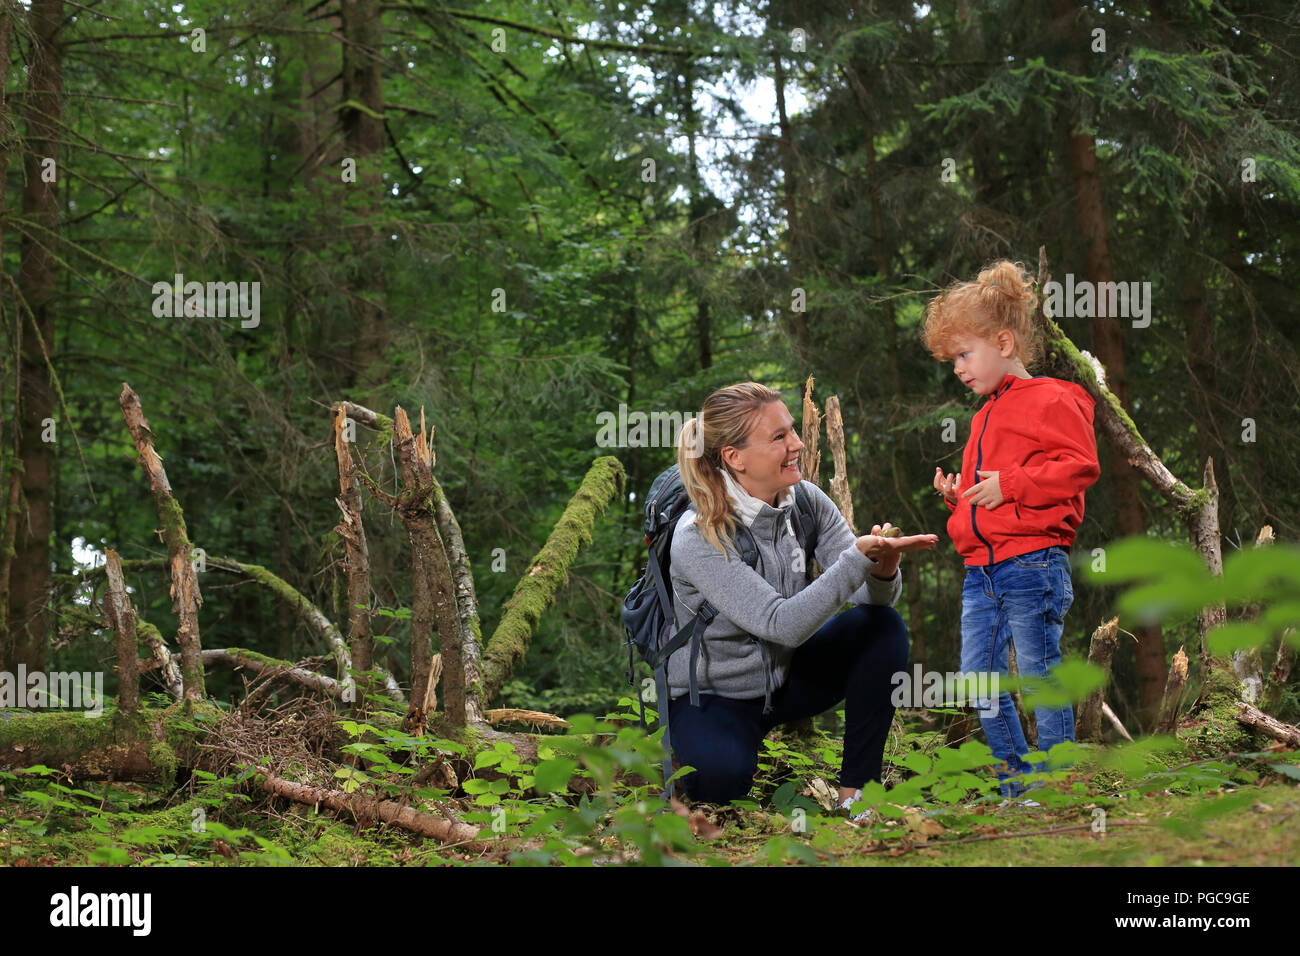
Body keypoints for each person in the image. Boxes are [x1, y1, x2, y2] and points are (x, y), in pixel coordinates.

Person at [667, 381, 938, 814]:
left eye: (792, 429)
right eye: (778, 437)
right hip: (715, 696)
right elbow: (783, 623)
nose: (796, 444)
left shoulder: (806, 502)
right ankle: (719, 749)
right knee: (721, 786)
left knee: (882, 627)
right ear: (734, 458)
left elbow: (874, 600)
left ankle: (857, 795)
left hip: (786, 680)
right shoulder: (699, 534)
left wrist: (883, 568)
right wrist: (856, 559)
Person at [922, 259, 1100, 798]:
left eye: (963, 354)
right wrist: (962, 498)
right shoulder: (981, 416)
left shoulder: (1053, 398)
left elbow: (1079, 466)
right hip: (981, 571)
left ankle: (1059, 785)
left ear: (1003, 343)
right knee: (981, 684)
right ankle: (1018, 789)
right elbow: (993, 489)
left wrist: (1011, 485)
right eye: (951, 359)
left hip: (1032, 564)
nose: (957, 368)